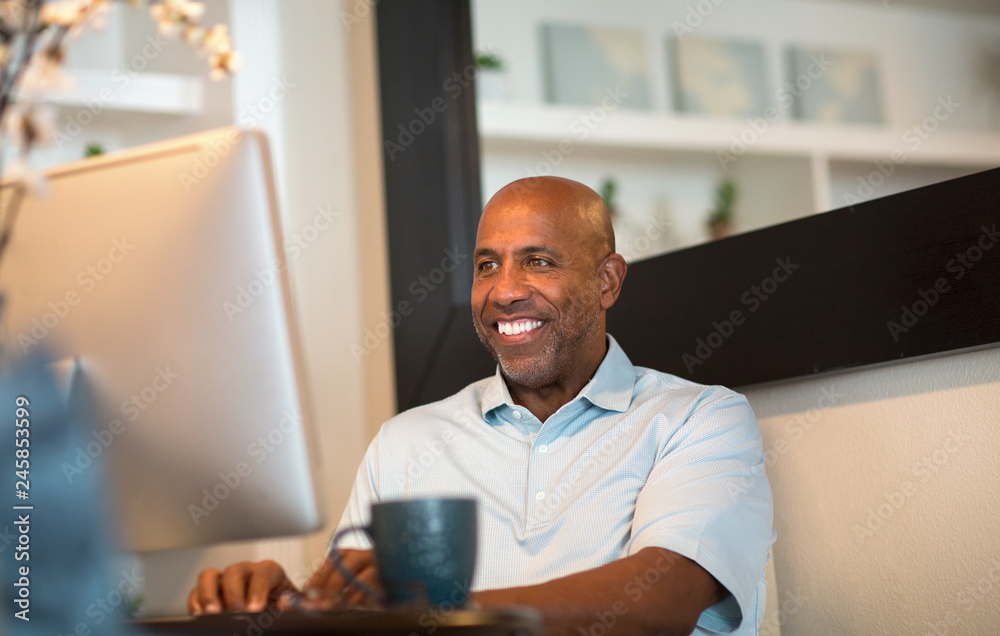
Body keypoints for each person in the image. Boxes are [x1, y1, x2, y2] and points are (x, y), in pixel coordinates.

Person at [188, 176, 775, 636]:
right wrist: (281, 604)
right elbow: (351, 611)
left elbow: (661, 602)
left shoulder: (699, 420)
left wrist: (442, 609)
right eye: (487, 265)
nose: (504, 290)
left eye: (538, 261)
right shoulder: (406, 442)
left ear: (607, 282)